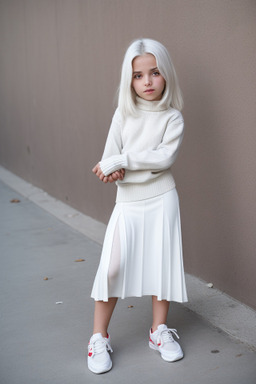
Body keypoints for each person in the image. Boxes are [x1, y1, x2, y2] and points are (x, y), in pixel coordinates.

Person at [88, 38, 188, 374]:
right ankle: (98, 337)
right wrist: (113, 169)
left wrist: (123, 161)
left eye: (155, 73)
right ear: (128, 80)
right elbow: (109, 158)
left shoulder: (173, 118)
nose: (147, 81)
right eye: (138, 75)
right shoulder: (123, 114)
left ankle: (158, 331)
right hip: (128, 203)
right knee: (113, 268)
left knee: (162, 266)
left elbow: (163, 158)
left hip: (162, 199)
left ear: (166, 75)